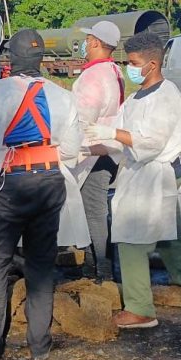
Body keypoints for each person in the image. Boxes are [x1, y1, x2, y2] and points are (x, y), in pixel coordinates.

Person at [0, 29, 87, 360]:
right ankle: (40, 345)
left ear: (10, 59)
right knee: (41, 263)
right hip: (49, 181)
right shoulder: (64, 96)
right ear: (41, 59)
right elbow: (71, 150)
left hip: (7, 182)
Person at [85, 32, 181, 329]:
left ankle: (140, 309)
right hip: (146, 170)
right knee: (171, 229)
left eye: (134, 63)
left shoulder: (166, 96)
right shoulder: (135, 99)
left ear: (152, 64)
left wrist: (111, 134)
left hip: (155, 171)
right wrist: (88, 147)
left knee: (131, 235)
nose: (130, 69)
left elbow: (151, 142)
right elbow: (119, 139)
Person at [72, 21, 125, 280]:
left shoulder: (93, 76)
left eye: (87, 40)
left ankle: (103, 272)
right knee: (90, 210)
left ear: (94, 42)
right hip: (108, 150)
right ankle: (91, 268)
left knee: (93, 213)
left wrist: (70, 147)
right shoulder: (114, 70)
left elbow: (83, 118)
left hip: (93, 151)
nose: (85, 44)